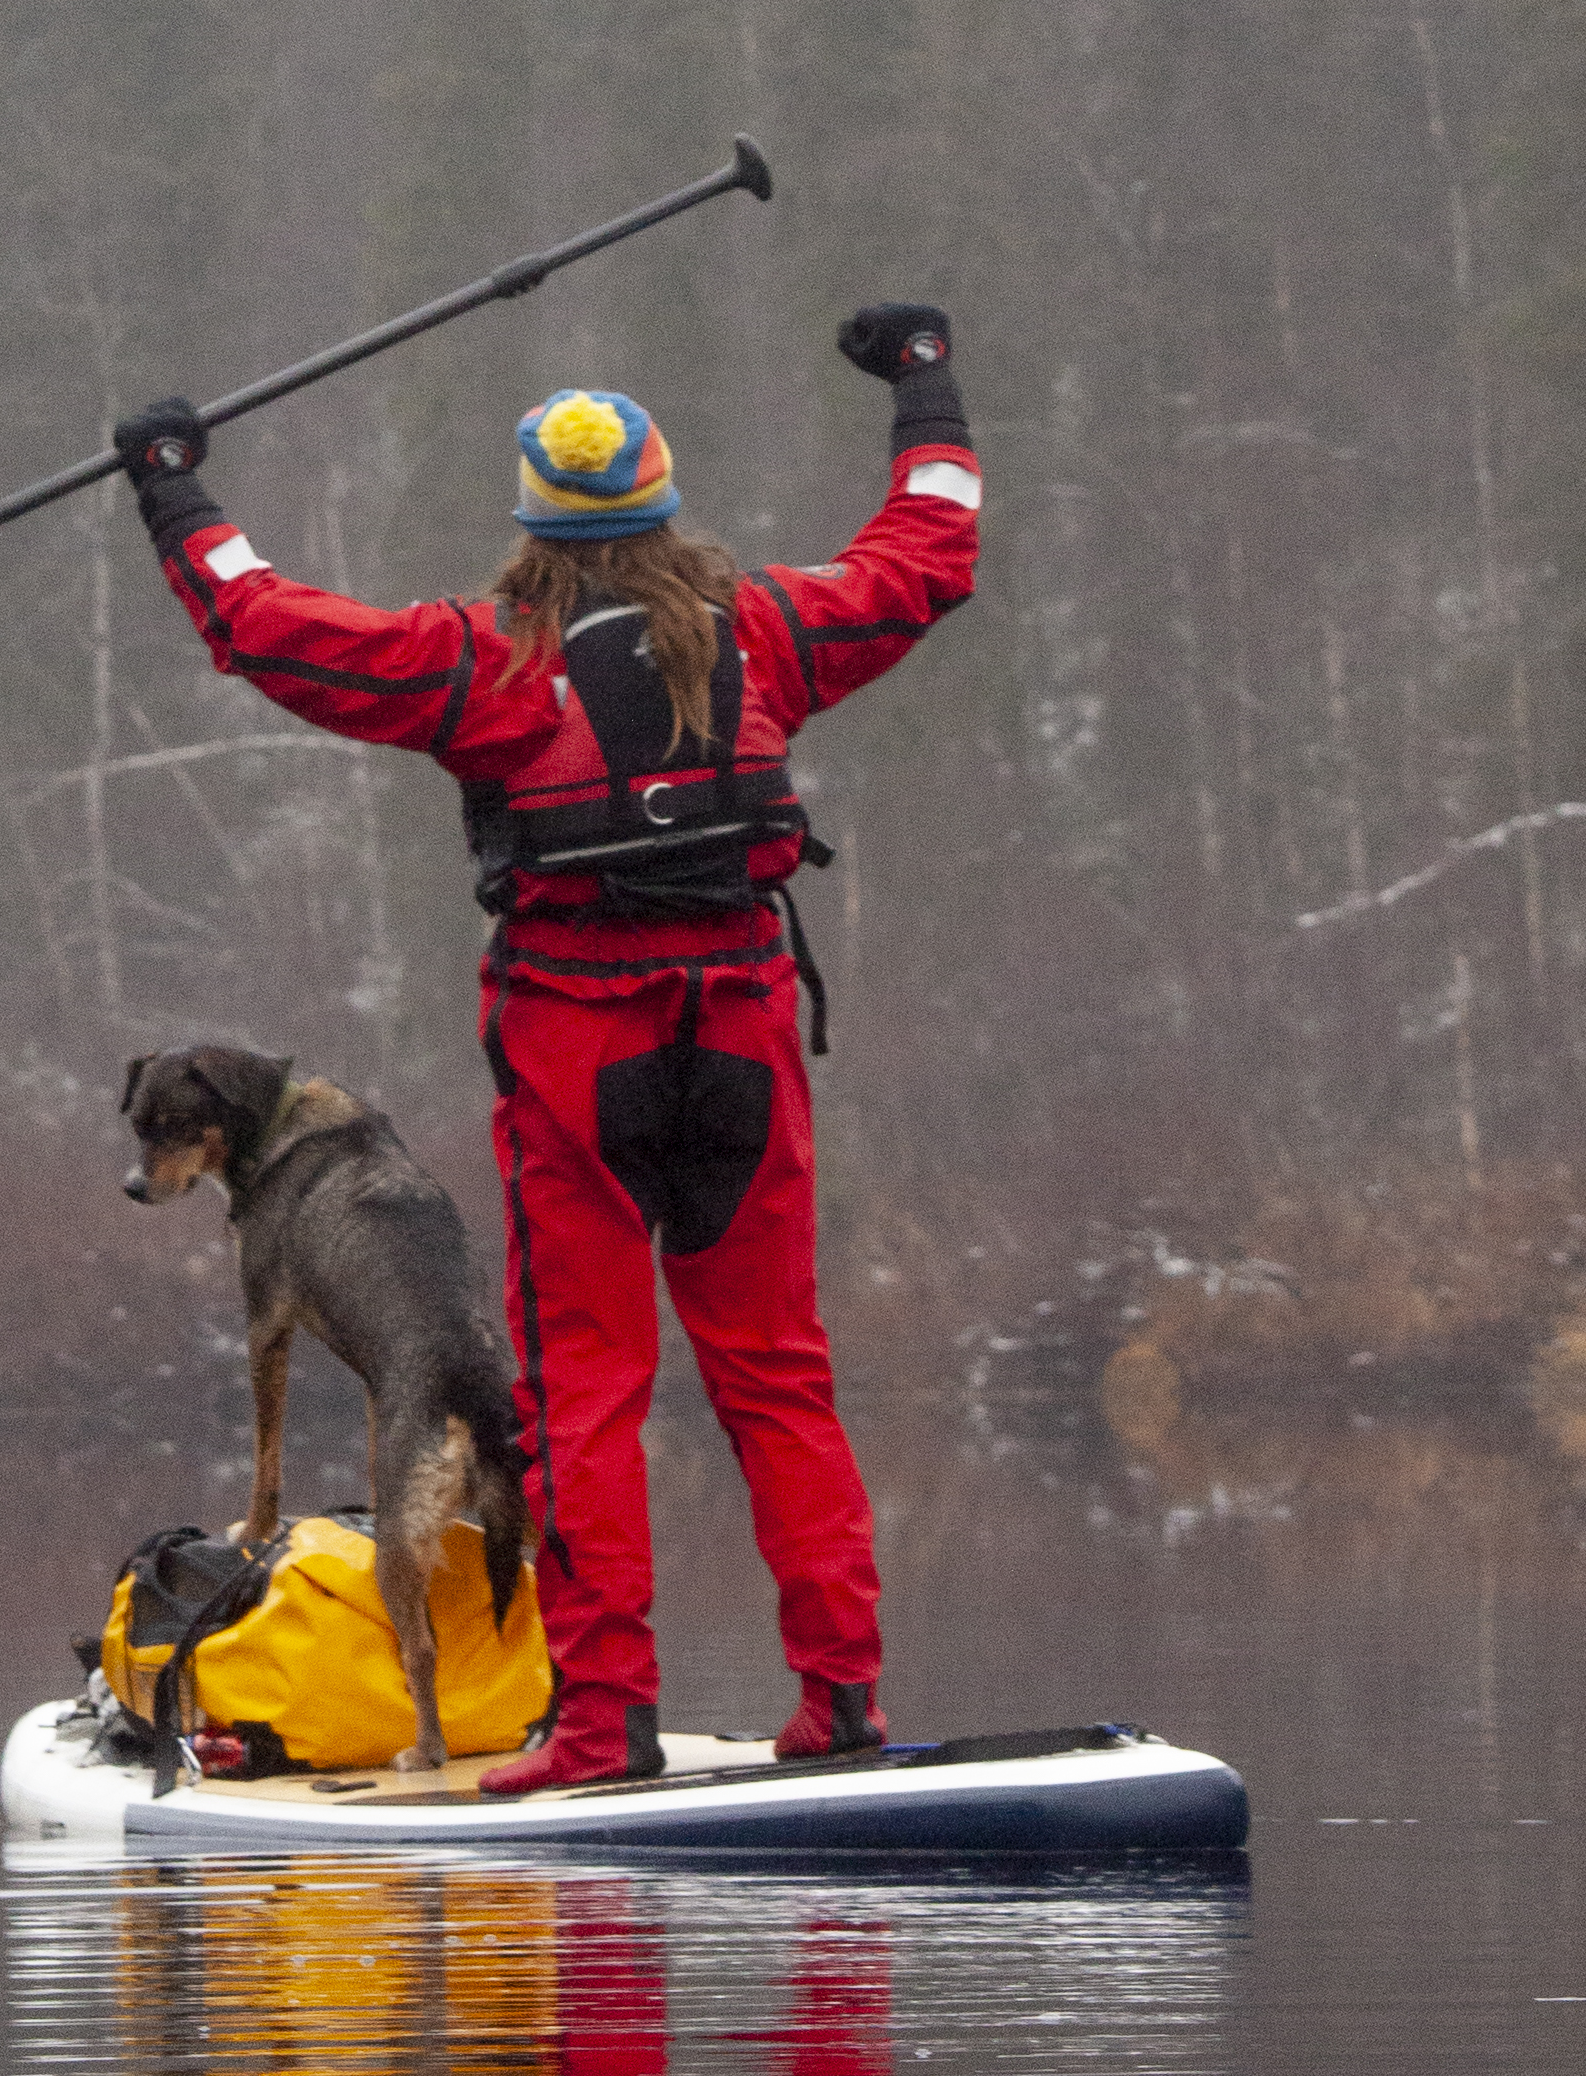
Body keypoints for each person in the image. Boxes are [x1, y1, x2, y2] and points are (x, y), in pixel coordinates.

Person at [109, 304, 980, 1794]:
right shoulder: (769, 633)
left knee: (588, 1394)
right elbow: (928, 551)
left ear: (532, 528)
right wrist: (922, 381)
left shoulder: (481, 666)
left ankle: (603, 1723)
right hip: (743, 1044)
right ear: (664, 506)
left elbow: (262, 628)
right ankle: (839, 1703)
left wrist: (177, 489)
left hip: (581, 1062)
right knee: (775, 1375)